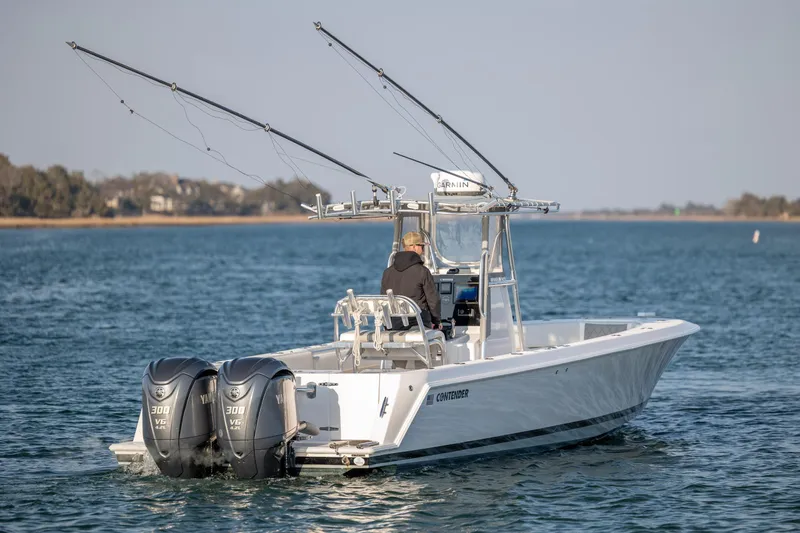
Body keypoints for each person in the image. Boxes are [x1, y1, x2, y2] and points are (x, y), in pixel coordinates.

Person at [380, 231, 442, 331]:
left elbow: (384, 301)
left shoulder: (387, 272)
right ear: (414, 247)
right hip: (417, 324)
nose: (422, 249)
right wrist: (437, 321)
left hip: (393, 326)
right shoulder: (422, 271)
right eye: (421, 246)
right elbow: (433, 301)